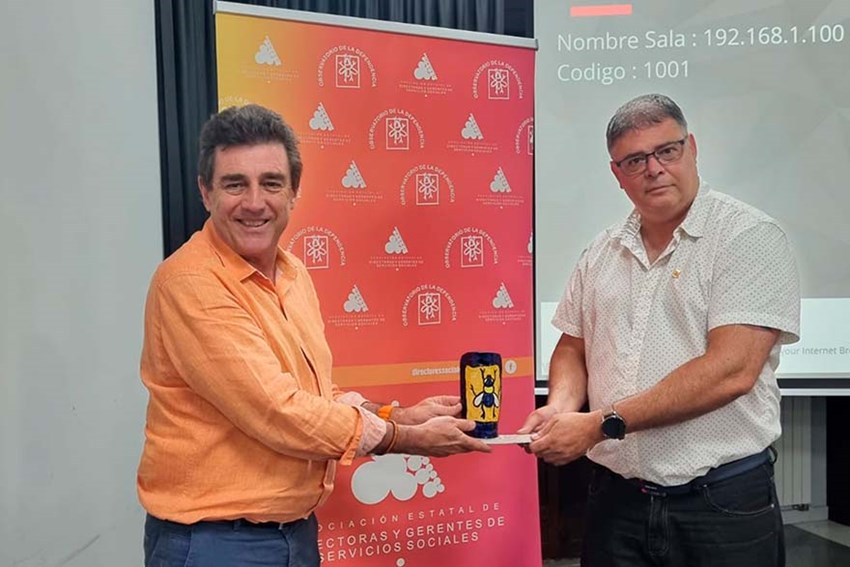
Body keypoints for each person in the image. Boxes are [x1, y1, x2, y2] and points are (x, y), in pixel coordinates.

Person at [137, 104, 490, 567]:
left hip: (295, 534)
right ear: (206, 192)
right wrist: (404, 437)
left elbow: (314, 395)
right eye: (235, 184)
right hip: (216, 544)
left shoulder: (294, 274)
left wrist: (398, 414)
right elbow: (278, 411)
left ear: (294, 192)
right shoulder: (191, 282)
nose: (255, 202)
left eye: (271, 183)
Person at [520, 94, 800, 566]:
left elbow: (731, 371)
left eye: (667, 150)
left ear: (692, 148)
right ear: (617, 174)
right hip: (616, 503)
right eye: (635, 160)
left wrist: (601, 423)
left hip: (720, 504)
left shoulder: (748, 237)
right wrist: (559, 408)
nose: (654, 169)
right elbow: (573, 346)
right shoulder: (601, 251)